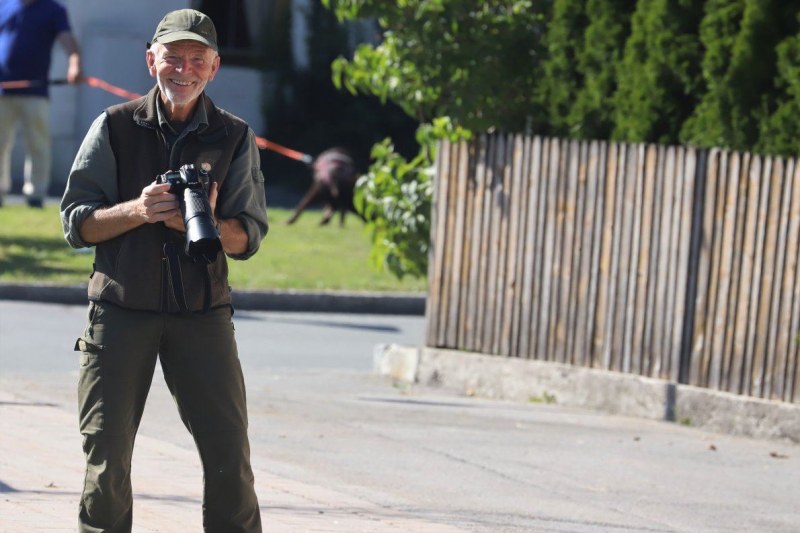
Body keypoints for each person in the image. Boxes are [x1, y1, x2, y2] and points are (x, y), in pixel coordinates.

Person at [60, 9, 266, 531]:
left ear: (214, 67)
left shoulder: (234, 136)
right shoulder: (112, 125)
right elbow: (76, 223)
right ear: (151, 59)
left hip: (202, 313)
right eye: (173, 57)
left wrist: (208, 224)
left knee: (230, 462)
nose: (184, 69)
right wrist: (138, 210)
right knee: (107, 462)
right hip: (121, 310)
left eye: (197, 59)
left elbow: (250, 235)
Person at [0, 0, 82, 208]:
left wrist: (74, 64)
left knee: (37, 144)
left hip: (36, 91)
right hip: (3, 89)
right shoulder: (4, 5)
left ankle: (35, 194)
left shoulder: (53, 9)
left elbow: (67, 40)